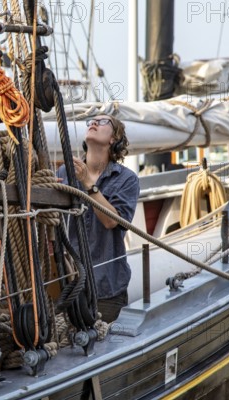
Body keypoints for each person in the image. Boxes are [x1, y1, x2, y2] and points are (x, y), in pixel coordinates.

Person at [57, 114, 140, 323]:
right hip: (67, 285)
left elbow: (111, 221)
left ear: (114, 138)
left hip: (106, 289)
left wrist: (87, 183)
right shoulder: (64, 173)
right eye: (92, 121)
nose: (94, 123)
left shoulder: (127, 179)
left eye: (103, 122)